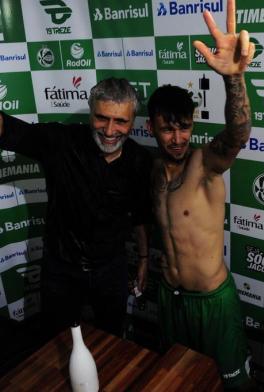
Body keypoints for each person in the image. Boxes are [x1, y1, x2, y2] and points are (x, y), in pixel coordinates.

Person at [146, 0, 255, 389]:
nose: (177, 139)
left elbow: (238, 134)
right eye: (167, 129)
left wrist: (233, 78)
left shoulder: (204, 164)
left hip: (213, 303)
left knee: (233, 386)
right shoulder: (154, 168)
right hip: (170, 299)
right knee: (179, 381)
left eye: (185, 128)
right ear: (152, 127)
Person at [0, 78, 152, 338]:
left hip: (111, 269)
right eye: (102, 118)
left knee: (111, 339)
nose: (109, 130)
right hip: (60, 269)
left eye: (121, 121)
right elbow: (10, 130)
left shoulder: (140, 160)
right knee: (54, 341)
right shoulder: (61, 141)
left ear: (133, 119)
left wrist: (144, 259)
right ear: (91, 112)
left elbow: (139, 216)